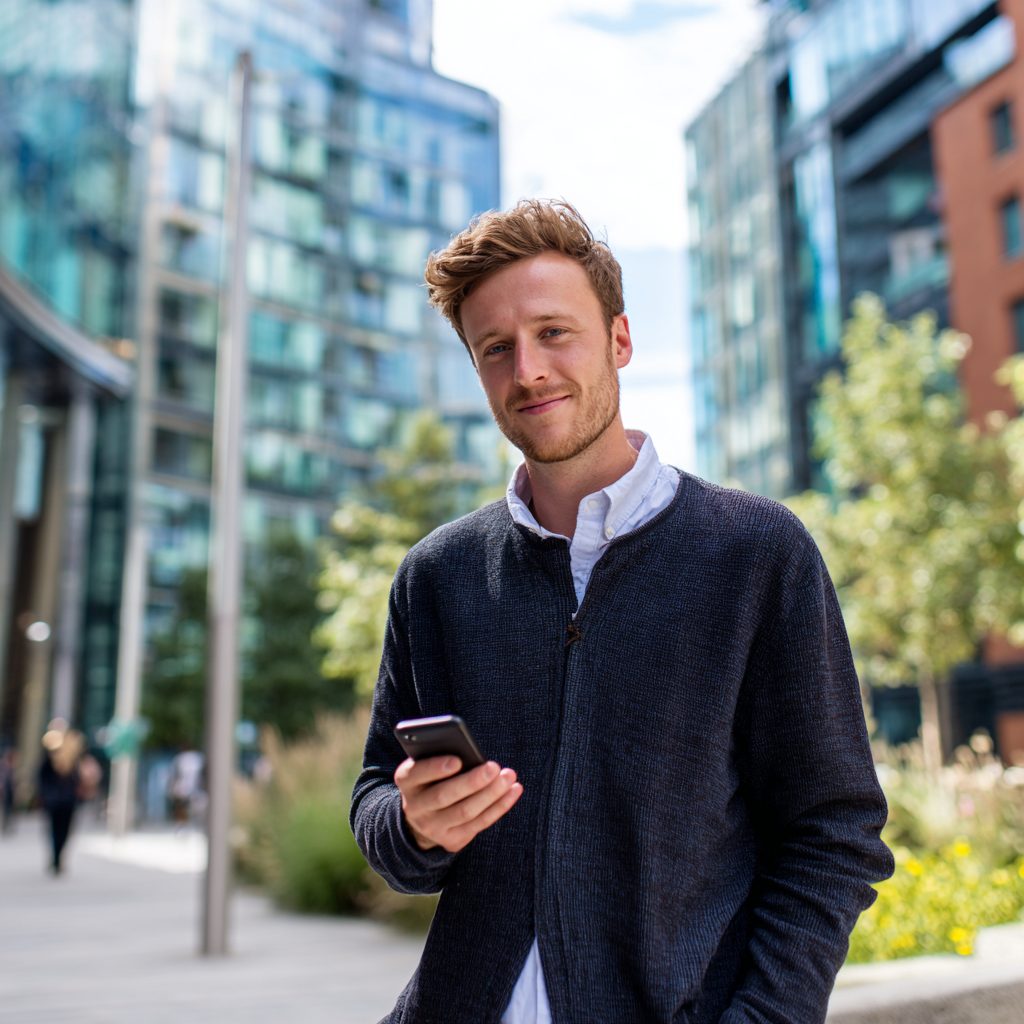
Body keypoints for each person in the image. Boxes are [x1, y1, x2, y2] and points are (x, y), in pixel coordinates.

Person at [351, 200, 894, 1024]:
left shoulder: (755, 553)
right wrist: (416, 823)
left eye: (553, 333)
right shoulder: (437, 575)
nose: (527, 369)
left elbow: (834, 832)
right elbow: (374, 801)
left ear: (620, 340)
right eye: (495, 348)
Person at [37, 719, 92, 874]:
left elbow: (81, 777)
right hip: (55, 800)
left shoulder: (74, 756)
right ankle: (55, 858)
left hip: (68, 800)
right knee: (55, 830)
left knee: (65, 830)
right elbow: (43, 778)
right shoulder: (48, 757)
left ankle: (58, 858)